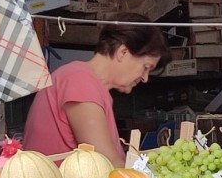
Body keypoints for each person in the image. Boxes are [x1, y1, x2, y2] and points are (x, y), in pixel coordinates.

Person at [24, 13, 171, 168]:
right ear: (123, 53)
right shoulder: (80, 81)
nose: (145, 78)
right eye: (146, 67)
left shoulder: (85, 82)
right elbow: (107, 163)